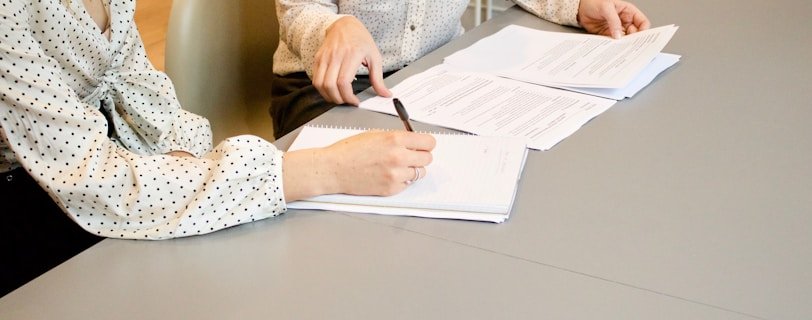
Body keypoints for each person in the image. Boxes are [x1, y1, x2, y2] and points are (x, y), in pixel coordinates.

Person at [0, 0, 436, 297]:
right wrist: (325, 170)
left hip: (102, 162)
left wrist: (185, 162)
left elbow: (138, 86)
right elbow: (96, 182)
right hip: (31, 199)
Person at [271, 0, 651, 138]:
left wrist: (577, 5)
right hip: (324, 86)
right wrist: (334, 27)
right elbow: (298, 11)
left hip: (435, 74)